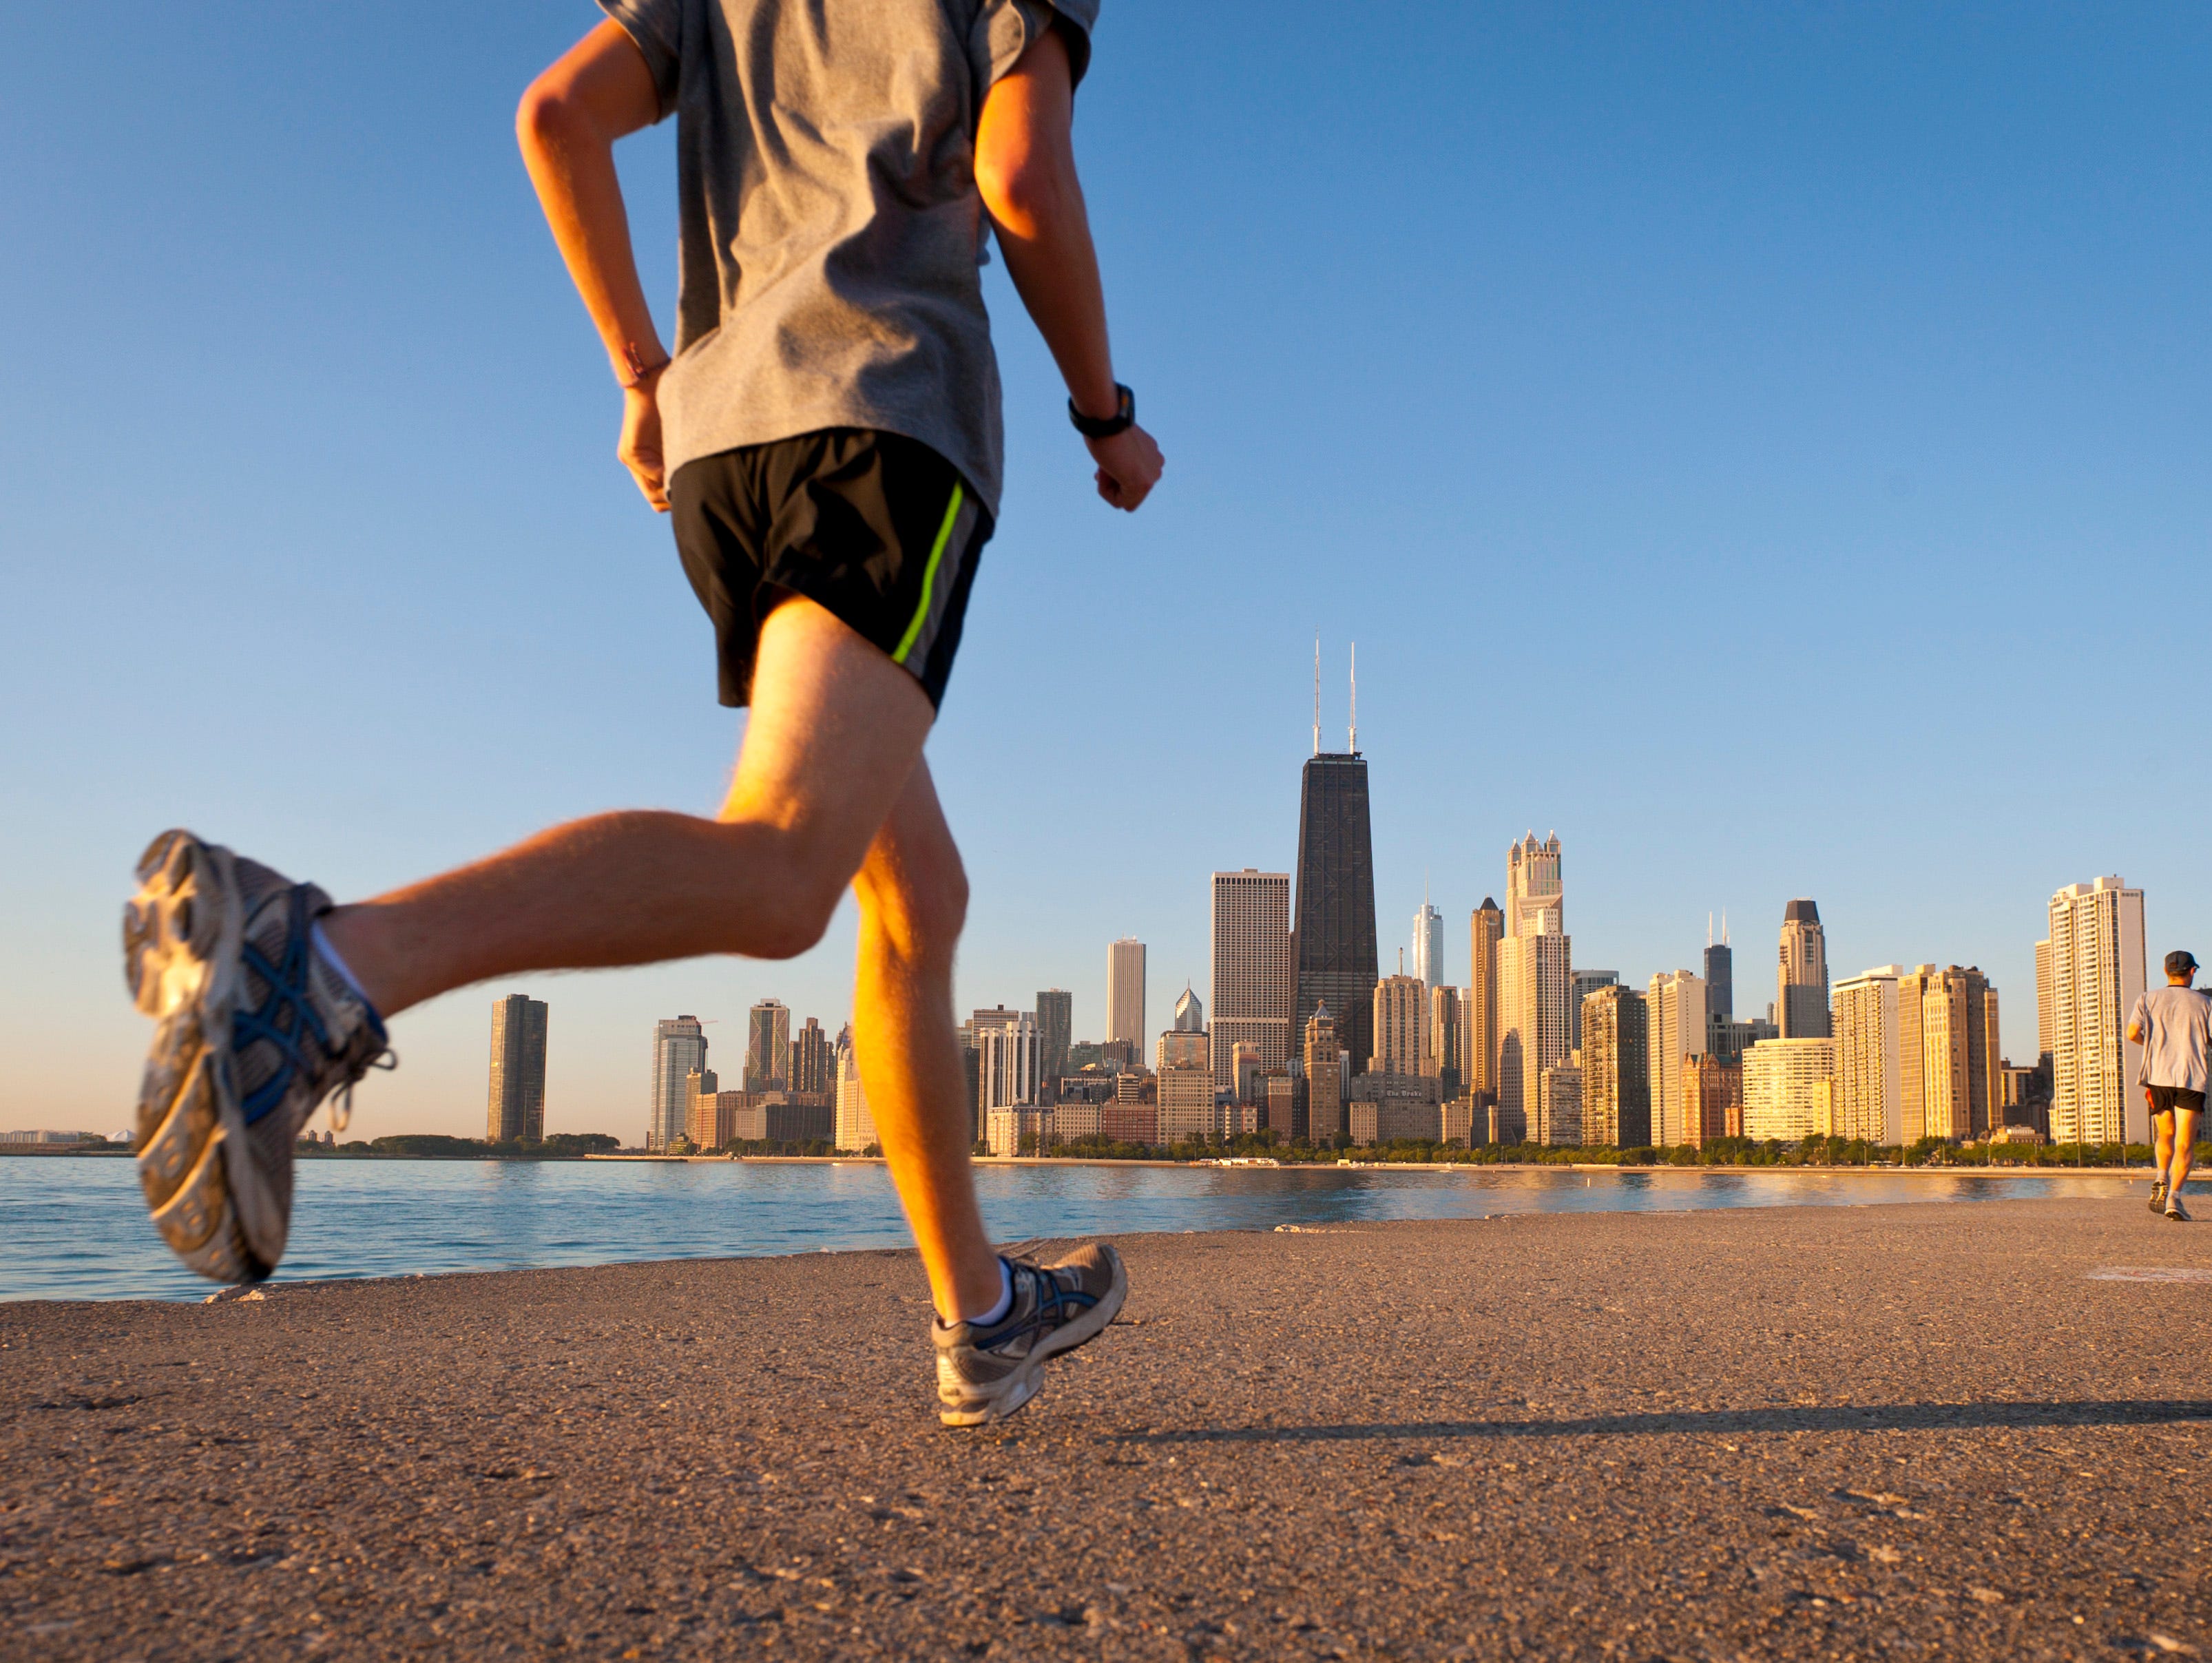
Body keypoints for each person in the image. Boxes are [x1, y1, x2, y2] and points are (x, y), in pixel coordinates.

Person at [121, 0, 1162, 1427]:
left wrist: (640, 373)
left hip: (722, 451)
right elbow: (1025, 178)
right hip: (881, 411)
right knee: (791, 858)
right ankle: (321, 963)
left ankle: (980, 1315)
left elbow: (556, 117)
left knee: (917, 892)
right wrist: (1106, 414)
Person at [2125, 950, 2210, 1222]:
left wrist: (2151, 1045)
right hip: (2191, 1076)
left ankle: (2161, 1176)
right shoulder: (2206, 1003)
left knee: (2166, 1135)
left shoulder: (2147, 999)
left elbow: (2132, 1034)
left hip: (2158, 1076)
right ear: (2192, 972)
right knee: (2185, 1142)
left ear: (2166, 972)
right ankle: (2173, 1197)